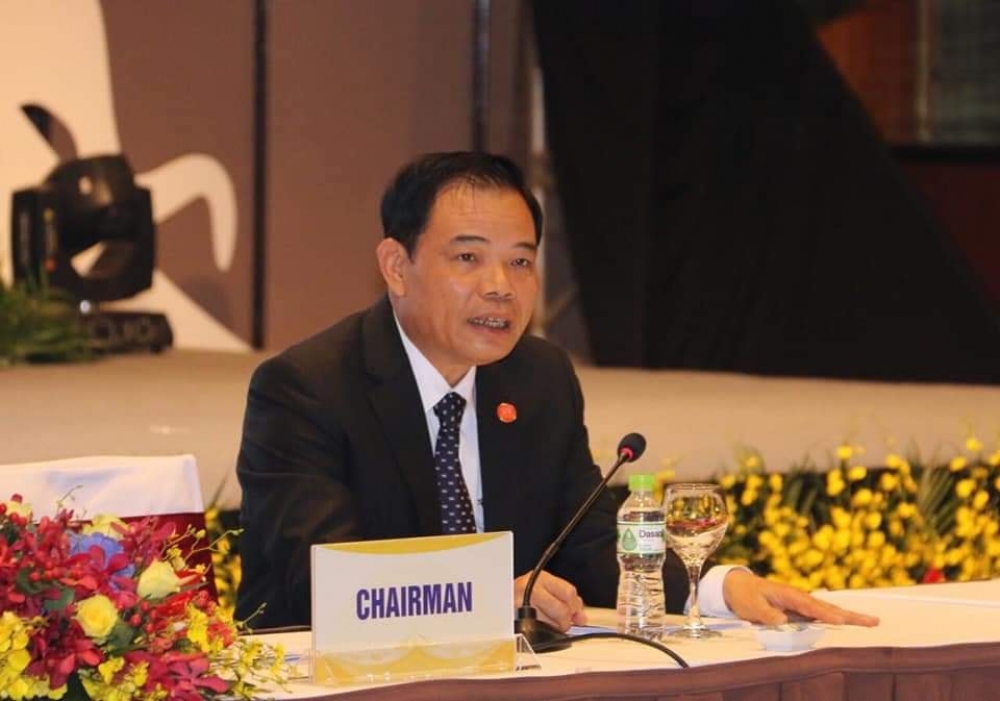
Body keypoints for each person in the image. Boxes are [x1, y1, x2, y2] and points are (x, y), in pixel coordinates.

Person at [235, 151, 878, 631]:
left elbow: (588, 543)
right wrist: (484, 591)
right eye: (468, 258)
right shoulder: (308, 389)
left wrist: (718, 588)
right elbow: (324, 577)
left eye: (520, 261)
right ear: (397, 267)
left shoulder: (538, 378)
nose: (500, 286)